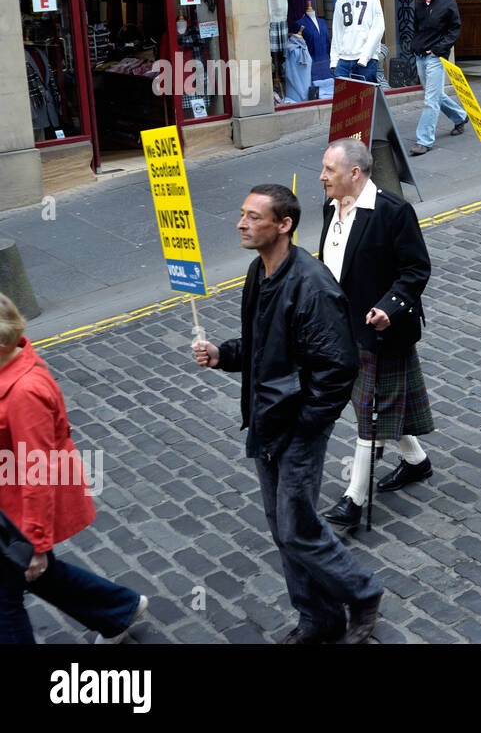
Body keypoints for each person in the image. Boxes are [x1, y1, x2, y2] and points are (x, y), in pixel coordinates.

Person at [192, 185, 383, 644]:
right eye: (242, 214)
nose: (241, 224)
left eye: (253, 217)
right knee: (283, 529)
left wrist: (305, 427)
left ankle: (362, 590)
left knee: (297, 528)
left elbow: (338, 369)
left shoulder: (311, 285)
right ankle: (318, 619)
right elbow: (262, 347)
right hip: (267, 419)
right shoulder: (260, 272)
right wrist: (223, 353)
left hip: (295, 426)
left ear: (284, 225)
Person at [0, 294, 149, 645]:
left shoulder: (24, 394)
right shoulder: (11, 366)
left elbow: (37, 472)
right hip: (11, 503)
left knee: (6, 596)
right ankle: (119, 608)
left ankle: (119, 608)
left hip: (22, 507)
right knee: (35, 575)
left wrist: (36, 544)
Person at [316, 140, 435, 530]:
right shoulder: (329, 207)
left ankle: (354, 499)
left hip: (380, 332)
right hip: (340, 331)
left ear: (354, 173)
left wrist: (389, 306)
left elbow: (416, 269)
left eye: (328, 171)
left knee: (370, 412)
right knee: (373, 404)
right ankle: (416, 461)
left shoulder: (393, 212)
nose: (321, 177)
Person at [409, 0, 469, 156]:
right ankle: (460, 116)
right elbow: (417, 28)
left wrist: (438, 50)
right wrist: (415, 46)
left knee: (430, 100)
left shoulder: (447, 2)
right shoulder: (419, 2)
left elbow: (455, 30)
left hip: (435, 57)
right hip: (420, 56)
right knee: (434, 95)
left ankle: (424, 140)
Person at [330, 0, 385, 84]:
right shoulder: (340, 2)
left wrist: (365, 56)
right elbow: (337, 32)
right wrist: (334, 61)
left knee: (366, 100)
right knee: (344, 101)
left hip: (367, 59)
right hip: (344, 60)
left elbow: (378, 28)